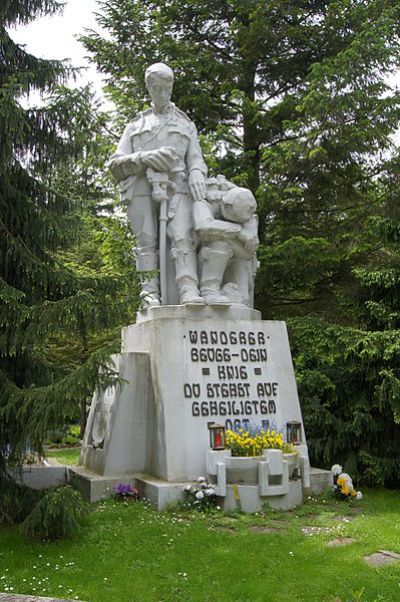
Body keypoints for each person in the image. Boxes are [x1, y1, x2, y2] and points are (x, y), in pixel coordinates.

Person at [107, 63, 207, 306]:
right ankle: (149, 292)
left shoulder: (185, 124)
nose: (162, 92)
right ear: (149, 88)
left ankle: (188, 288)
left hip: (177, 187)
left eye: (167, 86)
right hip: (141, 188)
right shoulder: (135, 126)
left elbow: (196, 159)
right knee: (146, 241)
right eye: (157, 87)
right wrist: (142, 158)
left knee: (182, 233)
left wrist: (196, 173)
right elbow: (114, 164)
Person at [193, 176, 259, 306]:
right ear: (227, 206)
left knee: (243, 301)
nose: (241, 222)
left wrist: (242, 234)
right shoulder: (204, 202)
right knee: (219, 241)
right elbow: (203, 227)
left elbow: (250, 247)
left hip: (240, 256)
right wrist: (238, 231)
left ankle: (227, 290)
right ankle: (209, 290)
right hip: (205, 255)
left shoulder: (247, 211)